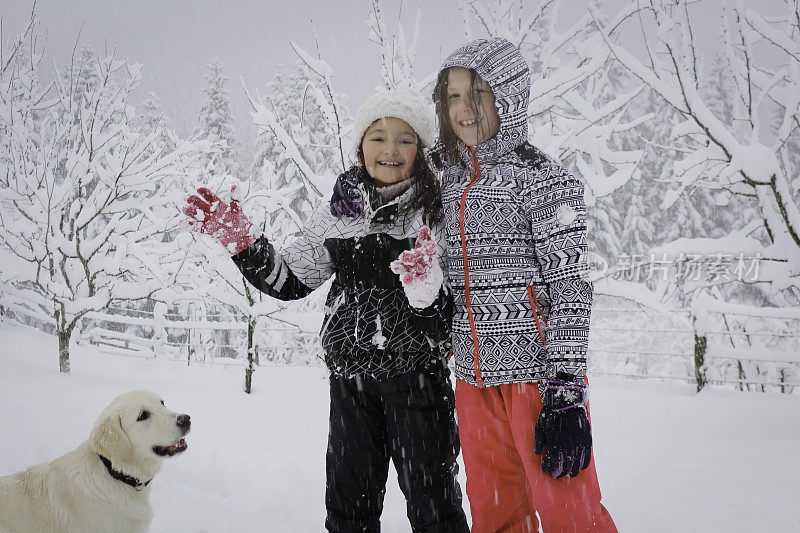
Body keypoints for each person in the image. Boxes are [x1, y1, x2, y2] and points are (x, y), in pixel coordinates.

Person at [332, 38, 617, 533]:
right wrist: (356, 181)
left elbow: (571, 288)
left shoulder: (546, 181)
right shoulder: (443, 176)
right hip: (471, 377)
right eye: (454, 96)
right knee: (495, 513)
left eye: (480, 93)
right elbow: (394, 169)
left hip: (536, 377)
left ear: (509, 98)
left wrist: (566, 390)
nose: (465, 109)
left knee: (568, 509)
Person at [183, 88, 469, 533]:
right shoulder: (341, 212)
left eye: (404, 139)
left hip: (418, 384)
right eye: (378, 137)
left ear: (420, 150)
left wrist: (430, 295)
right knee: (347, 508)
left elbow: (454, 318)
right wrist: (242, 242)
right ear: (361, 147)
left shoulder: (439, 213)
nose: (390, 150)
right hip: (351, 384)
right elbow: (292, 279)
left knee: (436, 511)